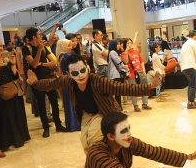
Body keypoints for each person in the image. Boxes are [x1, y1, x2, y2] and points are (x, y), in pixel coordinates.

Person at [27, 53, 161, 154]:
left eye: (82, 70)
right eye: (75, 73)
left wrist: (150, 86)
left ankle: (104, 164)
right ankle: (97, 164)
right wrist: (34, 83)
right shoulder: (68, 81)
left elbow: (123, 88)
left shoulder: (98, 81)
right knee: (85, 142)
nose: (80, 75)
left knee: (93, 139)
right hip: (87, 114)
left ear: (87, 67)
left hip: (105, 112)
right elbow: (51, 83)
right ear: (68, 73)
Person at [0, 38, 30, 150]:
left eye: (0, 45)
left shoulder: (5, 59)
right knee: (5, 117)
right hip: (0, 94)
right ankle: (7, 141)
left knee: (15, 114)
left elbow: (13, 76)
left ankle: (19, 138)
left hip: (12, 90)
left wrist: (13, 64)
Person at [22, 27, 67, 138]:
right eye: (38, 34)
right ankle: (45, 127)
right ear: (34, 37)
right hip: (36, 80)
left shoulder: (44, 48)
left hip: (48, 78)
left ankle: (58, 124)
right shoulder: (26, 48)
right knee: (41, 104)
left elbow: (53, 63)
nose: (41, 36)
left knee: (54, 102)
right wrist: (39, 51)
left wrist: (42, 64)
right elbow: (33, 64)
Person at [56, 39, 81, 132]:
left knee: (69, 102)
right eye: (68, 45)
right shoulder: (66, 55)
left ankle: (72, 124)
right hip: (70, 80)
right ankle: (75, 124)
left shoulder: (60, 56)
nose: (70, 48)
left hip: (66, 80)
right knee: (72, 102)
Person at [122, 37, 152, 112]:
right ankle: (135, 105)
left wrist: (143, 69)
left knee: (144, 88)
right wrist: (126, 51)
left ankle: (145, 104)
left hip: (140, 72)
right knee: (134, 90)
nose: (129, 44)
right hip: (132, 74)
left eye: (130, 42)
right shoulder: (124, 53)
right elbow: (125, 61)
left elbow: (141, 61)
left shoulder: (136, 51)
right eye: (127, 43)